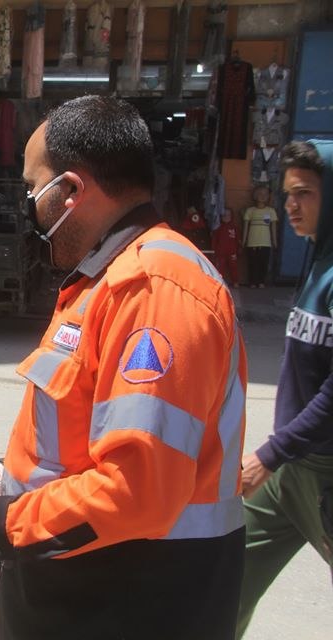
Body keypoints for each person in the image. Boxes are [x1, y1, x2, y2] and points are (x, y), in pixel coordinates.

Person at [0, 95, 248, 640]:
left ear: (71, 192)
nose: (31, 204)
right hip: (90, 595)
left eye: (33, 188)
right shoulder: (104, 281)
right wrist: (1, 477)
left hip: (134, 602)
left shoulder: (154, 291)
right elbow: (79, 436)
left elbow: (137, 492)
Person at [236, 140, 333, 636]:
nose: (290, 205)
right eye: (287, 193)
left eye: (306, 193)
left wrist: (271, 454)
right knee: (227, 577)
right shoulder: (317, 262)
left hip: (322, 473)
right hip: (290, 471)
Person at [243, 185, 278, 288]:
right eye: (259, 193)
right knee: (252, 262)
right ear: (254, 195)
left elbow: (273, 228)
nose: (262, 196)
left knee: (263, 262)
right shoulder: (250, 211)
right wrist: (244, 240)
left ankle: (261, 281)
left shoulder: (271, 211)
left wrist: (274, 241)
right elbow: (246, 227)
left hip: (265, 242)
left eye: (265, 194)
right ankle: (252, 282)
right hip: (252, 241)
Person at [213, 206, 242, 287]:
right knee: (220, 268)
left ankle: (235, 282)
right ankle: (219, 282)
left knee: (234, 267)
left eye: (228, 215)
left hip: (232, 252)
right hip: (220, 252)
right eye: (224, 215)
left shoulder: (235, 228)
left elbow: (238, 240)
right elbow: (214, 240)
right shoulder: (218, 228)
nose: (226, 217)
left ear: (231, 216)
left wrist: (239, 249)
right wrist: (215, 250)